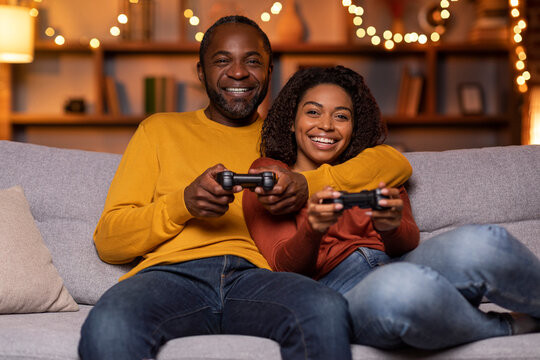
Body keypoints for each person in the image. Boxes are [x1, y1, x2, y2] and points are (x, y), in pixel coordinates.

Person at [78, 16, 413, 360]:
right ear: (201, 72)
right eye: (222, 60)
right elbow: (108, 243)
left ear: (269, 73)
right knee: (109, 325)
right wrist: (184, 204)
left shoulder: (289, 137)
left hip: (257, 279)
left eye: (252, 61)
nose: (238, 72)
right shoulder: (158, 130)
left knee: (324, 307)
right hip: (169, 276)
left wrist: (303, 183)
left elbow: (395, 163)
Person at [243, 65, 540, 351]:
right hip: (345, 293)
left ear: (353, 127)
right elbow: (284, 267)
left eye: (341, 116)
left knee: (485, 241)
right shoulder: (270, 173)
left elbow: (407, 241)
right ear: (292, 121)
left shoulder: (371, 168)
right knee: (400, 287)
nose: (326, 125)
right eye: (313, 112)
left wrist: (391, 225)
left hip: (401, 265)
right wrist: (312, 229)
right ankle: (505, 328)